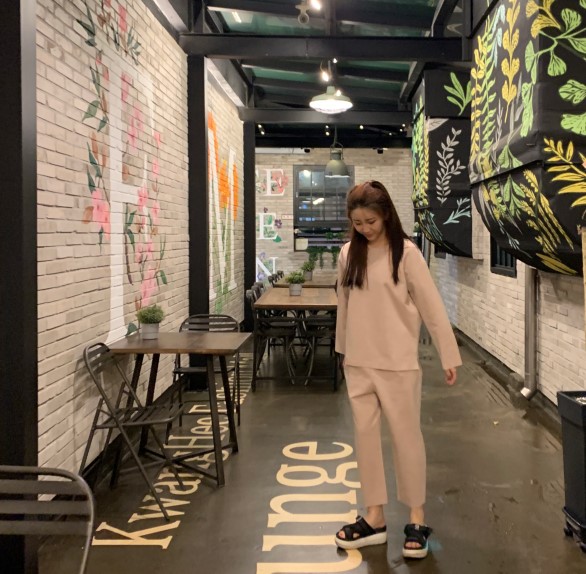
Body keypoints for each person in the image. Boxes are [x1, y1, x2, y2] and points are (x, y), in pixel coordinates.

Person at [334, 180, 461, 559]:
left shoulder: (406, 254)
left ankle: (417, 519)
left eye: (370, 221)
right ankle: (374, 517)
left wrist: (448, 354)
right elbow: (344, 305)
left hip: (398, 365)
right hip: (359, 363)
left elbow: (431, 306)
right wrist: (343, 352)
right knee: (365, 440)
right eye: (357, 223)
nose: (365, 229)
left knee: (407, 439)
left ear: (386, 214)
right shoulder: (348, 254)